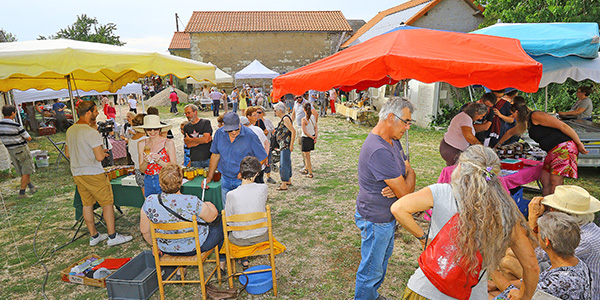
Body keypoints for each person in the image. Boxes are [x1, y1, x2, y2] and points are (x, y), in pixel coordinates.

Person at [391, 145, 538, 300]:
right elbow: (531, 266)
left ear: (460, 167)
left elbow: (398, 208)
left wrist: (424, 239)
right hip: (471, 294)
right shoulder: (506, 211)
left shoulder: (442, 192)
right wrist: (524, 296)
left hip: (426, 289)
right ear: (494, 173)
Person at [352, 97, 416, 300]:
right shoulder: (379, 149)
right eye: (406, 121)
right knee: (371, 270)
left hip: (386, 216)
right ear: (391, 117)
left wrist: (406, 177)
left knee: (380, 264)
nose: (407, 127)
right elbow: (406, 194)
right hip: (376, 218)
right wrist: (405, 180)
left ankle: (371, 295)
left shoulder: (393, 142)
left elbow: (405, 175)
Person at [495, 185, 600, 297]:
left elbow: (533, 256)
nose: (548, 211)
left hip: (583, 292)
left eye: (551, 209)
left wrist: (532, 219)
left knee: (508, 264)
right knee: (509, 259)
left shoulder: (582, 239)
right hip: (571, 281)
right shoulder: (579, 231)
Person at [65, 100, 133, 246]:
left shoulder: (70, 130)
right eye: (96, 111)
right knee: (107, 203)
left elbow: (68, 153)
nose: (98, 113)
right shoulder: (91, 132)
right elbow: (100, 157)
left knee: (87, 204)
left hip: (77, 172)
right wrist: (101, 151)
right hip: (93, 172)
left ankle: (94, 235)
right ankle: (112, 236)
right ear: (88, 112)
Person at [139, 163, 225, 271]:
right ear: (180, 183)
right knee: (221, 222)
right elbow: (212, 217)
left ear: (160, 183)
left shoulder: (150, 201)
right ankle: (222, 263)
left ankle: (181, 270)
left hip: (166, 248)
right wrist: (209, 205)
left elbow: (144, 231)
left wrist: (155, 245)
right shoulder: (191, 201)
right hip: (194, 247)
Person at [492, 212, 591, 300]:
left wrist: (490, 267)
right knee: (493, 291)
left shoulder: (562, 281)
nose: (535, 234)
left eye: (536, 231)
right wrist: (494, 284)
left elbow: (521, 297)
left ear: (547, 241)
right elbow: (533, 283)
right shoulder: (577, 263)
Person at [495, 102, 588, 195]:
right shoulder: (526, 122)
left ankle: (554, 207)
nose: (512, 117)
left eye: (512, 114)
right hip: (552, 150)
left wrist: (579, 143)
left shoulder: (536, 115)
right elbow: (510, 132)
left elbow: (563, 126)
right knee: (545, 180)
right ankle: (546, 206)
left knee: (555, 181)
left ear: (516, 112)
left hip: (564, 147)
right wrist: (497, 145)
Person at [204, 112, 267, 206]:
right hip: (225, 179)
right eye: (230, 130)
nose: (233, 132)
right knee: (227, 208)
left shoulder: (250, 135)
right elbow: (215, 155)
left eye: (236, 129)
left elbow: (262, 157)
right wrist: (209, 176)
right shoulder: (219, 134)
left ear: (239, 123)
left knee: (243, 209)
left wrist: (246, 173)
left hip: (243, 181)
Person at [224, 156, 268, 269]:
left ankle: (241, 259)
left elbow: (229, 220)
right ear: (258, 172)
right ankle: (244, 259)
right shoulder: (263, 188)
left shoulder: (231, 195)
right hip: (261, 235)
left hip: (240, 239)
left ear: (240, 172)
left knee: (234, 229)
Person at [0, 105, 37, 198]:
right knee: (26, 169)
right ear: (13, 113)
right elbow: (28, 137)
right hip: (21, 149)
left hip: (10, 150)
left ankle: (31, 187)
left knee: (21, 169)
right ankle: (22, 192)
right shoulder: (15, 125)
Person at [136, 115, 177, 197]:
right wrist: (145, 161)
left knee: (165, 205)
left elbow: (174, 167)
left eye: (155, 129)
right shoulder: (141, 144)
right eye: (149, 129)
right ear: (145, 130)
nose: (152, 131)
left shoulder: (168, 143)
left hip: (164, 179)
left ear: (160, 129)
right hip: (148, 180)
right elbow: (142, 169)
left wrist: (159, 161)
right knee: (151, 206)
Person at [273, 102, 295, 191]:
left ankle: (284, 184)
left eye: (275, 110)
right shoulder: (284, 118)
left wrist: (291, 144)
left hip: (285, 145)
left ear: (280, 110)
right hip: (284, 144)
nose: (274, 112)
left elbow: (293, 131)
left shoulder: (285, 119)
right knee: (287, 162)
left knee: (283, 164)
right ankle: (288, 180)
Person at [183, 104, 212, 168]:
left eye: (189, 113)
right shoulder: (186, 127)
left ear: (195, 112)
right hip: (194, 160)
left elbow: (206, 139)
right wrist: (202, 140)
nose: (187, 115)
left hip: (208, 158)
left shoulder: (205, 123)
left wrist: (191, 140)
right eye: (185, 114)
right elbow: (188, 144)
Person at [241, 116, 269, 184]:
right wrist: (266, 156)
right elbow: (267, 143)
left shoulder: (247, 133)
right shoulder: (258, 129)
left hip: (252, 167)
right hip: (260, 164)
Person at [128, 113, 147, 195]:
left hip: (138, 171)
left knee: (146, 198)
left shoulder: (131, 140)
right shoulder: (146, 140)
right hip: (148, 171)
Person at [257, 106, 276, 184]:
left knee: (268, 160)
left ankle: (268, 177)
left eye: (259, 112)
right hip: (258, 144)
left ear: (263, 113)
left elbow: (272, 130)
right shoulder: (254, 122)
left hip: (267, 143)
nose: (258, 114)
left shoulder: (267, 121)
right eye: (256, 112)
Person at [301, 102, 318, 178]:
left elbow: (305, 131)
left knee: (307, 156)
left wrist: (311, 136)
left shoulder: (303, 119)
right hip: (312, 137)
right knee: (307, 155)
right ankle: (306, 168)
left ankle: (310, 172)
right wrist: (315, 136)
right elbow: (316, 127)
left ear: (303, 109)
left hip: (306, 138)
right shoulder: (313, 117)